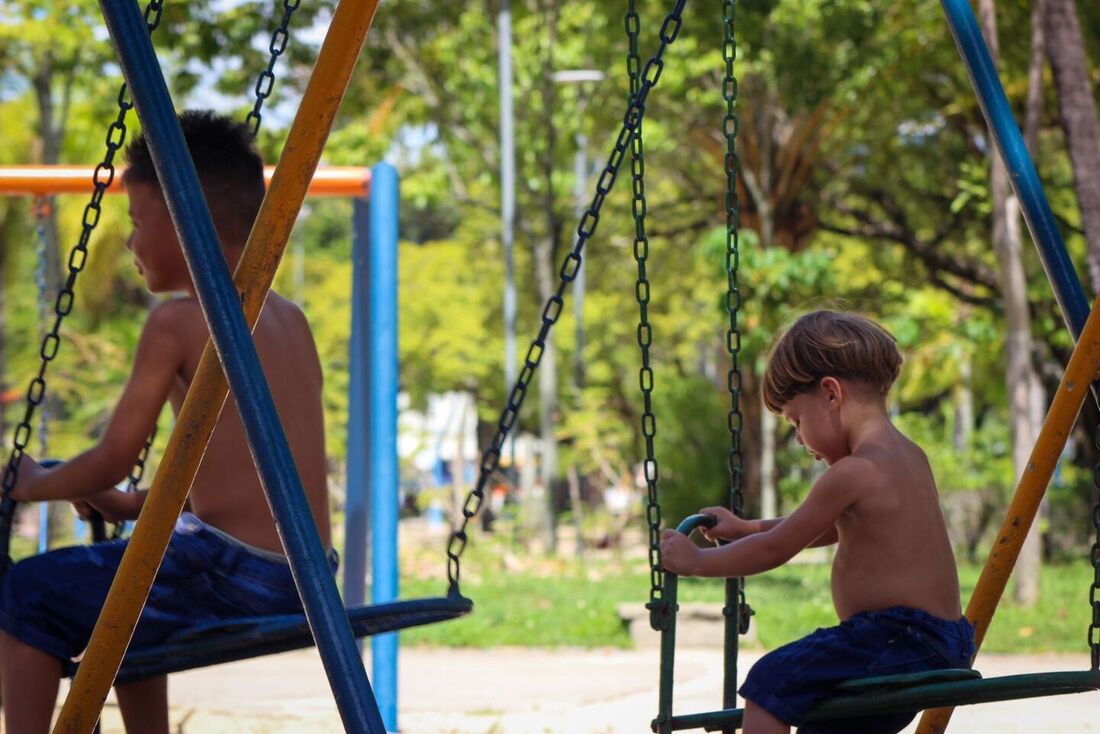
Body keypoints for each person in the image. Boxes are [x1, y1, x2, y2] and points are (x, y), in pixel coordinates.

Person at [0, 110, 332, 734]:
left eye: (137, 223)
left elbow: (115, 455)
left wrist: (31, 484)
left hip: (233, 573)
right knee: (130, 592)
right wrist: (126, 505)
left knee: (27, 593)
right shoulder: (291, 318)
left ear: (188, 227)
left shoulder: (178, 323)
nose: (128, 243)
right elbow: (249, 485)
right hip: (305, 574)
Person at [660, 310, 975, 734]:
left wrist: (694, 561)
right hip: (939, 642)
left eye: (795, 420)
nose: (799, 439)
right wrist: (744, 527)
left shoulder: (852, 472)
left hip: (896, 639)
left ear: (830, 394)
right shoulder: (907, 457)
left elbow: (778, 548)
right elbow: (823, 527)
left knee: (769, 684)